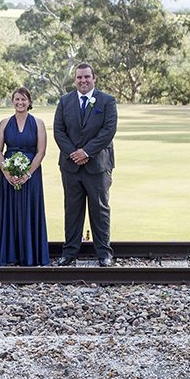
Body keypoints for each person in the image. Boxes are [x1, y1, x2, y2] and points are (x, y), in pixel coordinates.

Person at [53, 62, 117, 267]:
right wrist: (74, 153)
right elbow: (58, 131)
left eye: (87, 77)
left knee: (100, 210)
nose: (83, 80)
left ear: (94, 78)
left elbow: (108, 131)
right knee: (72, 210)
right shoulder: (64, 101)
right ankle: (69, 253)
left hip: (98, 166)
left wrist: (87, 152)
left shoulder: (107, 101)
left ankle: (104, 254)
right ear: (75, 80)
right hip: (71, 166)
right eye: (79, 77)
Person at [0, 86, 50, 266]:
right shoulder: (4, 123)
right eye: (17, 99)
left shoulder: (38, 123)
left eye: (23, 99)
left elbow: (41, 152)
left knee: (29, 211)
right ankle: (8, 255)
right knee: (9, 212)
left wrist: (27, 174)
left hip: (31, 175)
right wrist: (6, 172)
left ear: (29, 102)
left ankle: (31, 255)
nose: (20, 102)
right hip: (8, 175)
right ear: (12, 101)